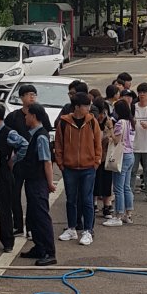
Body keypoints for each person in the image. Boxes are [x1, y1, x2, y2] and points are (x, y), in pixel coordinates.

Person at [55, 93, 103, 248]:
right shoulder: (64, 122)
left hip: (88, 167)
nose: (88, 108)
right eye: (86, 106)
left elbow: (98, 143)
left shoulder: (92, 122)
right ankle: (71, 228)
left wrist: (96, 161)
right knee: (71, 199)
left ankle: (88, 230)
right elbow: (58, 144)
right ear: (77, 107)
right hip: (69, 168)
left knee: (87, 199)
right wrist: (61, 163)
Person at [5, 84, 50, 240]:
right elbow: (7, 137)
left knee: (33, 197)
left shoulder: (40, 114)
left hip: (34, 163)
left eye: (34, 94)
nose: (32, 97)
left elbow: (47, 134)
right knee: (14, 194)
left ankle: (31, 227)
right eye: (29, 94)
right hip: (17, 162)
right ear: (21, 97)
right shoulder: (14, 117)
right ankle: (18, 225)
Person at [18, 103, 57, 265]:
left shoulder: (40, 137)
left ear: (33, 116)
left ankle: (49, 252)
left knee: (41, 217)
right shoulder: (34, 134)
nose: (25, 117)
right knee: (33, 215)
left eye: (27, 115)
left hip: (38, 182)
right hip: (32, 180)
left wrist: (50, 183)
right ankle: (39, 247)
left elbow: (46, 161)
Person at [0, 102, 27, 254]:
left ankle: (8, 242)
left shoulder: (9, 133)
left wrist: (13, 160)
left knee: (4, 209)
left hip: (3, 174)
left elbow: (24, 144)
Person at [104, 99, 135, 228]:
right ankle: (128, 214)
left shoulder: (120, 123)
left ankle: (118, 215)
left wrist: (110, 127)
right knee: (126, 186)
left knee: (118, 188)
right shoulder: (131, 122)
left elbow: (116, 140)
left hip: (121, 156)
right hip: (130, 154)